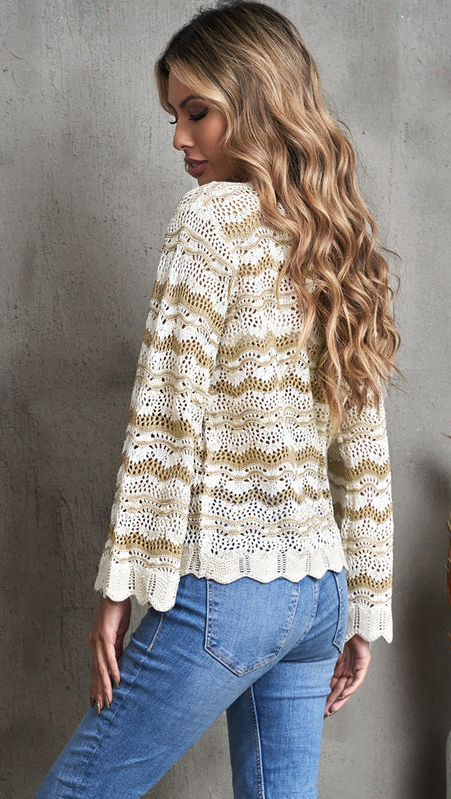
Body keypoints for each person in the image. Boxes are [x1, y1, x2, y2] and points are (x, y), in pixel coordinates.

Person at [34, 2, 399, 797]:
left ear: (257, 99)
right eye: (174, 116)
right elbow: (363, 443)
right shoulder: (337, 237)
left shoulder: (208, 221)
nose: (179, 138)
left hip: (229, 589)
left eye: (196, 112)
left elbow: (165, 417)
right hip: (318, 594)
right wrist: (362, 609)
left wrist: (120, 585)